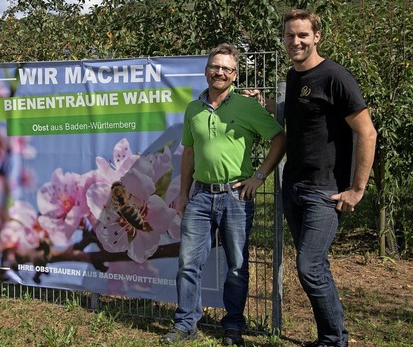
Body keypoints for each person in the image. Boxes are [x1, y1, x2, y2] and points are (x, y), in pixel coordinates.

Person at [161, 43, 286, 345]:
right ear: (206, 71)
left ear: (234, 75)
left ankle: (233, 327)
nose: (219, 72)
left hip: (236, 197)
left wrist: (259, 176)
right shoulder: (193, 108)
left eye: (226, 68)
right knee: (188, 264)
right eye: (214, 67)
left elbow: (280, 139)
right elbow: (189, 152)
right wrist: (184, 192)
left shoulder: (246, 107)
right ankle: (185, 324)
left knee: (237, 266)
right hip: (201, 197)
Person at [280, 9, 377, 347]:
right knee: (316, 266)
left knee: (308, 267)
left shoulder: (335, 76)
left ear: (317, 36)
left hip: (325, 191)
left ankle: (336, 340)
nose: (296, 41)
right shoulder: (293, 78)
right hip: (292, 188)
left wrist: (357, 189)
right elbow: (302, 128)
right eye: (290, 35)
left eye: (303, 35)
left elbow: (367, 133)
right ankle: (330, 337)